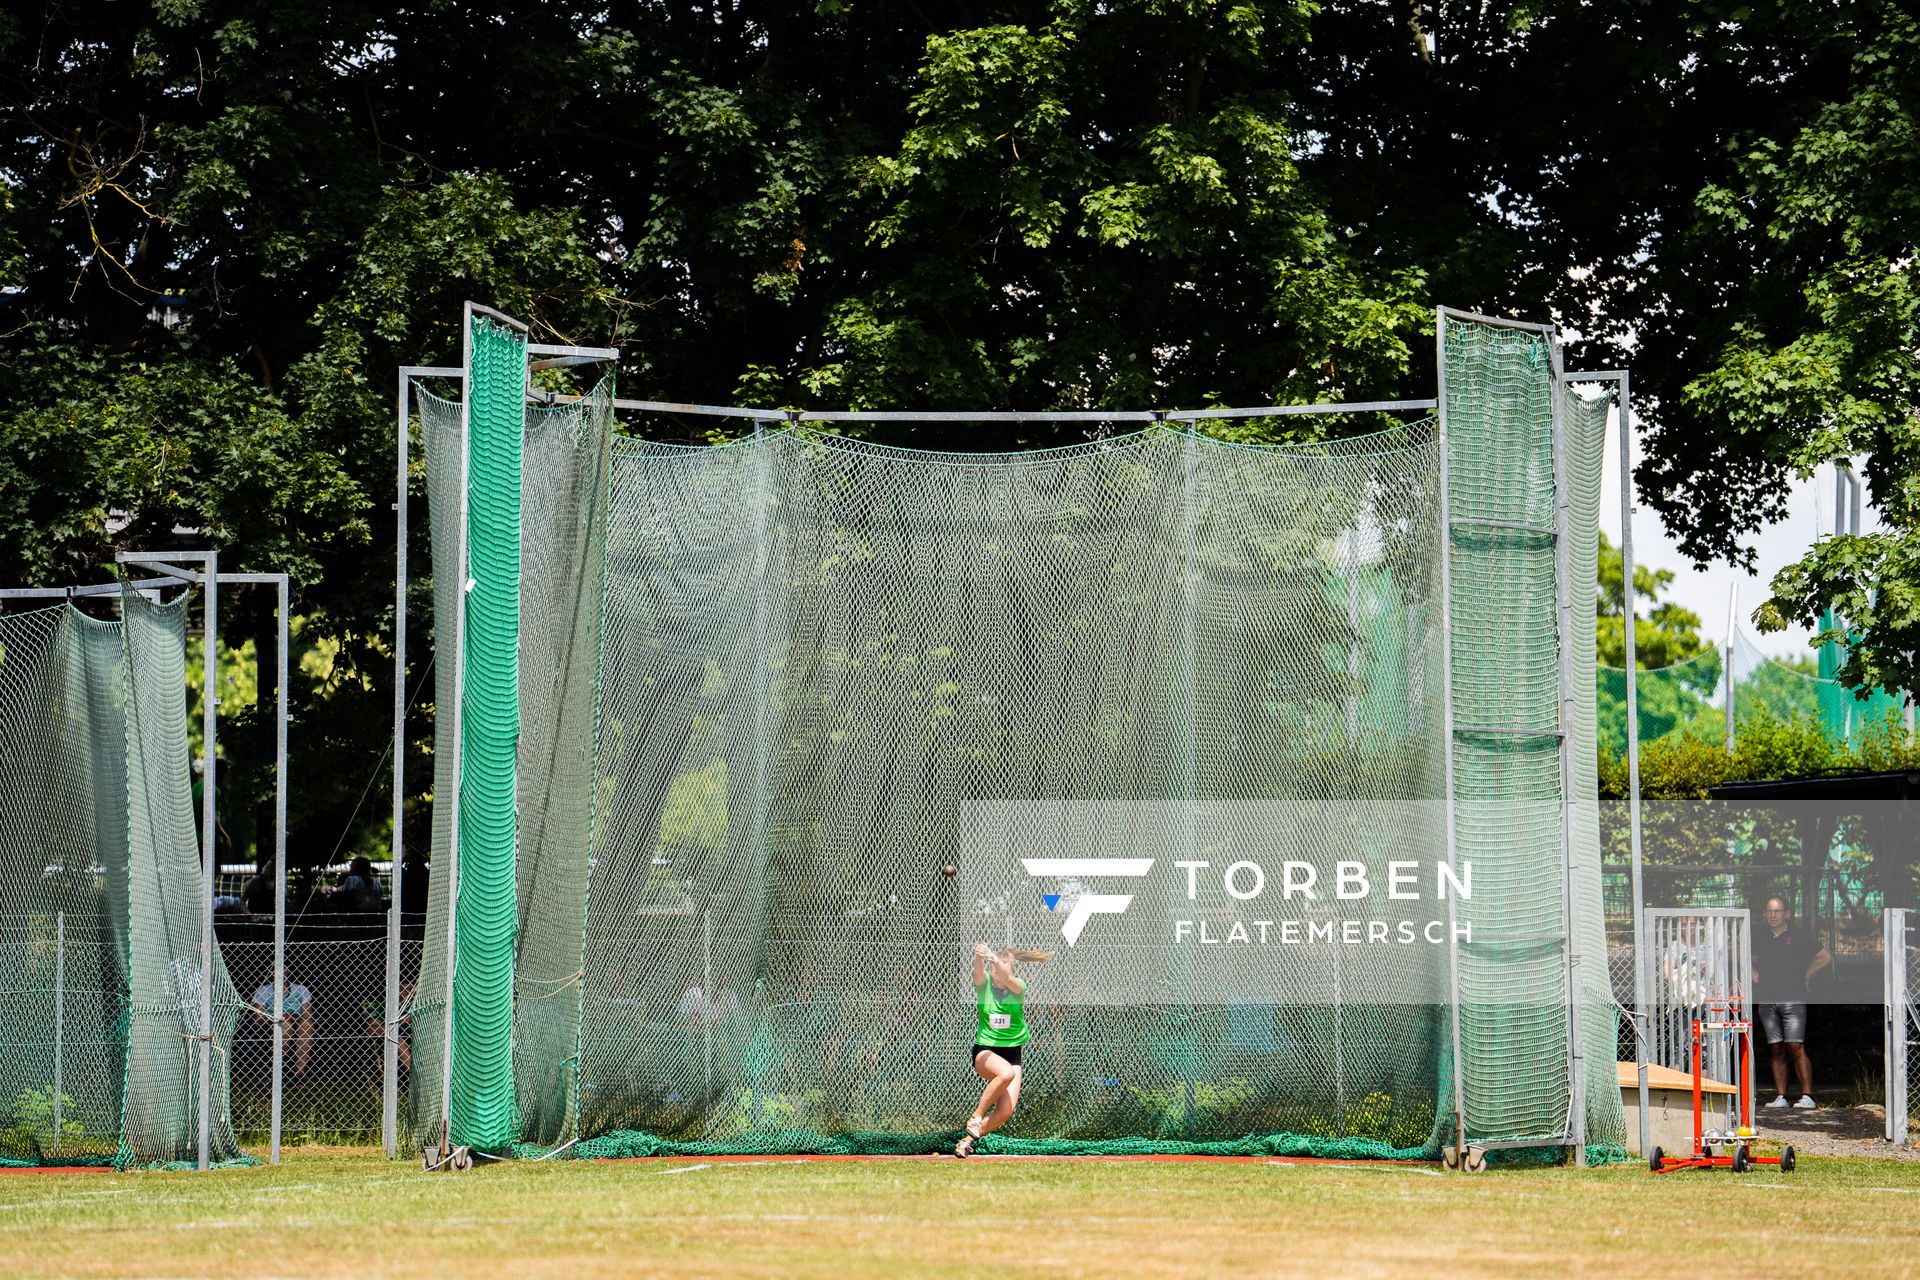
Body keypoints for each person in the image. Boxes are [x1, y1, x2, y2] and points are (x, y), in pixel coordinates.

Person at [955, 942, 1052, 1158]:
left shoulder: (1019, 988)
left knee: (1006, 1111)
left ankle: (966, 1142)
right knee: (1005, 1073)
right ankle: (976, 1116)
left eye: (1001, 974)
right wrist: (981, 957)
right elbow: (978, 972)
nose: (998, 979)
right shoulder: (985, 985)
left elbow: (1008, 979)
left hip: (1012, 1053)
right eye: (994, 974)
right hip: (986, 1051)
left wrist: (996, 960)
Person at [1751, 895, 1831, 1110]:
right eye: (1769, 911)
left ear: (1787, 913)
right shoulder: (1758, 935)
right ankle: (1782, 1097)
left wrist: (1807, 976)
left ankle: (1808, 1097)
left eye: (1777, 911)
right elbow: (1739, 955)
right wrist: (1752, 971)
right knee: (1776, 1048)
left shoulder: (1800, 935)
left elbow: (1824, 957)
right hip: (1767, 1000)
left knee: (1795, 1046)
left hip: (1793, 999)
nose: (1773, 915)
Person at [250, 976, 315, 1082]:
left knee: (306, 1025)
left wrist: (293, 1017)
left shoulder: (301, 989)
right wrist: (279, 1016)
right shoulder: (263, 990)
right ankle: (277, 1070)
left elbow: (308, 1016)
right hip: (271, 1022)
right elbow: (259, 1019)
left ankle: (300, 1074)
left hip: (295, 1020)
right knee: (285, 1025)